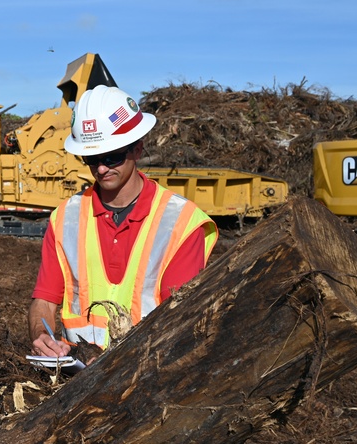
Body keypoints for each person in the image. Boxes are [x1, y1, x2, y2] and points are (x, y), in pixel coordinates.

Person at [29, 84, 218, 358]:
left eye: (112, 156)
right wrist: (41, 335)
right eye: (92, 159)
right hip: (75, 380)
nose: (102, 168)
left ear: (137, 150)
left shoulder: (180, 222)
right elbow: (44, 301)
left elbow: (181, 322)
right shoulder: (65, 219)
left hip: (147, 374)